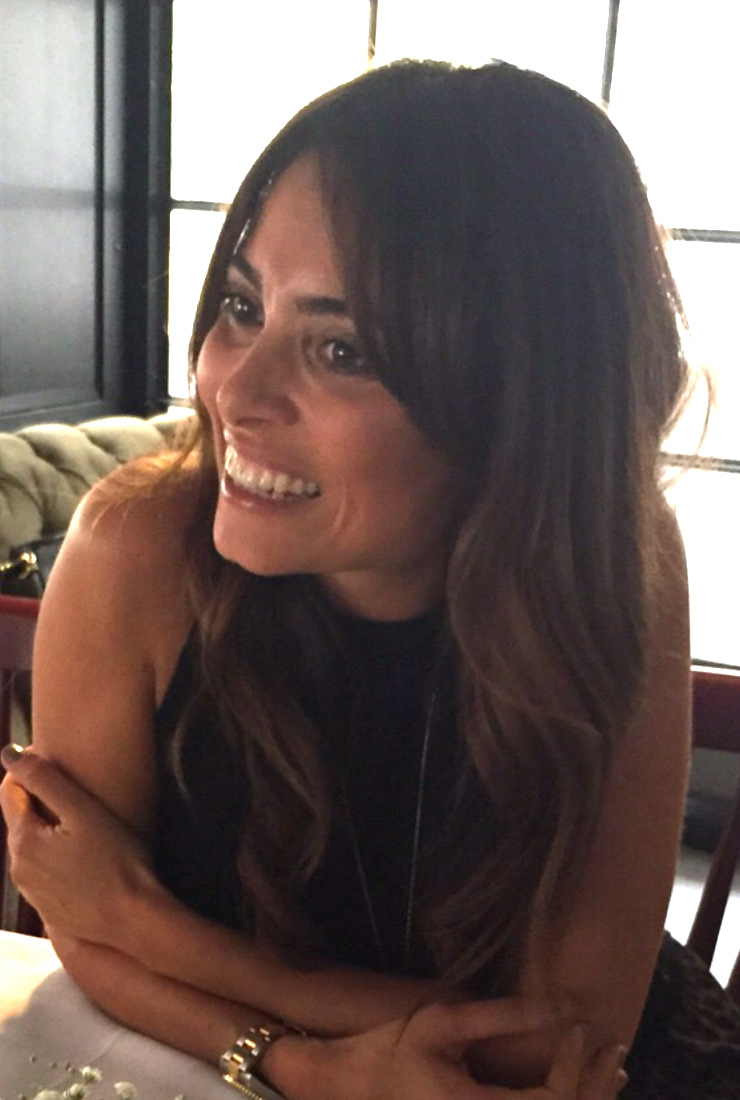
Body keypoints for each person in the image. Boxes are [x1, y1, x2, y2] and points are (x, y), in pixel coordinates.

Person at [1, 58, 739, 1100]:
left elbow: (564, 1045)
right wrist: (306, 1064)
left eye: (341, 349)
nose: (230, 388)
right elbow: (82, 937)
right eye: (243, 304)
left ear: (517, 405)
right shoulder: (136, 549)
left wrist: (149, 923)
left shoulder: (616, 559)